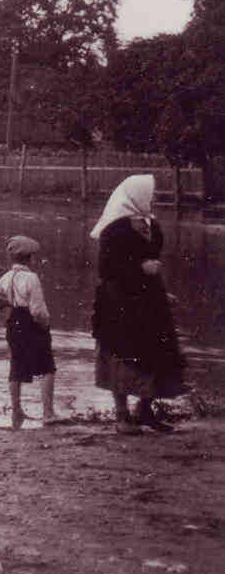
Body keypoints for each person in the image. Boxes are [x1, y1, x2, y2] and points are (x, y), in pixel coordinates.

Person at [90, 174, 185, 435]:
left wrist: (161, 291)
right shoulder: (114, 229)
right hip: (119, 299)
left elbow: (154, 263)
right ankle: (121, 417)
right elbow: (106, 269)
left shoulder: (152, 225)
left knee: (159, 351)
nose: (153, 198)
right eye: (150, 194)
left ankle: (144, 409)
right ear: (135, 196)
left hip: (149, 299)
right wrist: (139, 268)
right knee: (121, 354)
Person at [0, 235, 58, 429]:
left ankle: (17, 411)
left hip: (12, 323)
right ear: (29, 258)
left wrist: (6, 304)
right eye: (33, 256)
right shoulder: (31, 278)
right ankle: (48, 413)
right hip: (30, 324)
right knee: (47, 366)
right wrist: (45, 325)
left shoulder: (6, 277)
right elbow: (37, 310)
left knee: (16, 366)